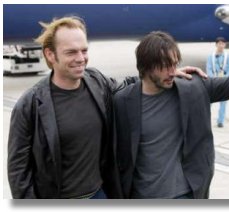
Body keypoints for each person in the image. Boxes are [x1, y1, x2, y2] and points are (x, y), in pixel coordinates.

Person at [7, 16, 204, 199]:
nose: (81, 58)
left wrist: (166, 73)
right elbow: (18, 172)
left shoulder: (97, 83)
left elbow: (129, 84)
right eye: (71, 52)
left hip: (100, 194)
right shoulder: (30, 104)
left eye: (84, 50)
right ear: (50, 54)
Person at [113, 11, 229, 199]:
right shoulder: (123, 101)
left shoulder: (193, 88)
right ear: (146, 66)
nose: (172, 71)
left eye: (174, 64)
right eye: (165, 65)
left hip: (185, 195)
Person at [206, 36, 229, 128]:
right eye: (219, 43)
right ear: (216, 44)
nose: (221, 45)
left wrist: (225, 78)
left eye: (222, 43)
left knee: (223, 102)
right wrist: (213, 78)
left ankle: (220, 121)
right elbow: (208, 68)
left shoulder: (228, 57)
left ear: (225, 45)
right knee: (208, 102)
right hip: (213, 81)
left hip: (223, 81)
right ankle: (206, 120)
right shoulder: (211, 57)